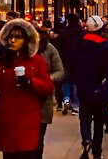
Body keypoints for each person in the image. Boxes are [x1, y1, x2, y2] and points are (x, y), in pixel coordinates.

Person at [0, 20, 54, 159]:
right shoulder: (2, 61)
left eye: (18, 37)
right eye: (10, 37)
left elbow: (47, 86)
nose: (13, 41)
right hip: (7, 117)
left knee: (27, 153)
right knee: (9, 155)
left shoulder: (36, 61)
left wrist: (30, 82)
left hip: (28, 117)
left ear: (26, 41)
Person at [72, 16, 108, 159]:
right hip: (100, 88)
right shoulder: (106, 46)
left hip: (84, 86)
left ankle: (86, 139)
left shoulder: (79, 44)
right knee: (99, 122)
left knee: (84, 117)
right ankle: (97, 152)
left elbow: (73, 64)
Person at [35, 26, 65, 159]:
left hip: (43, 98)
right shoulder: (22, 50)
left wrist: (48, 79)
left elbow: (60, 71)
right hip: (25, 99)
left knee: (39, 136)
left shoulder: (49, 49)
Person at [56, 16, 85, 114]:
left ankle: (66, 99)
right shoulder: (82, 33)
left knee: (66, 81)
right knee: (76, 83)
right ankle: (75, 105)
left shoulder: (63, 33)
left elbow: (58, 48)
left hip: (65, 61)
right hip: (79, 61)